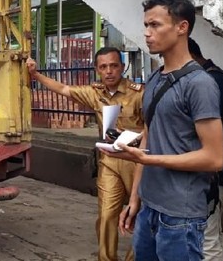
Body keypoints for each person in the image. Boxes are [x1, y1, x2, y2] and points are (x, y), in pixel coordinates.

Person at [112, 0, 223, 261]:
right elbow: (149, 136)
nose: (147, 33)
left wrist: (150, 160)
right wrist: (135, 199)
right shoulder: (155, 78)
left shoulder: (200, 84)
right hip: (149, 206)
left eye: (155, 25)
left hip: (181, 215)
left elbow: (215, 157)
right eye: (146, 26)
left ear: (181, 27)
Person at [27, 47, 143, 261]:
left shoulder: (139, 94)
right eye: (103, 67)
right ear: (97, 70)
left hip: (136, 162)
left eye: (114, 66)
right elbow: (63, 89)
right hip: (109, 160)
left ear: (122, 67)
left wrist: (135, 137)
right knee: (107, 214)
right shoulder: (94, 92)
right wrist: (35, 75)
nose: (109, 71)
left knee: (140, 215)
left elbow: (152, 128)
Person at [188, 37, 223, 261]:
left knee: (206, 235)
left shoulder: (209, 82)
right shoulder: (216, 76)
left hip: (214, 167)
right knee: (212, 232)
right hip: (216, 164)